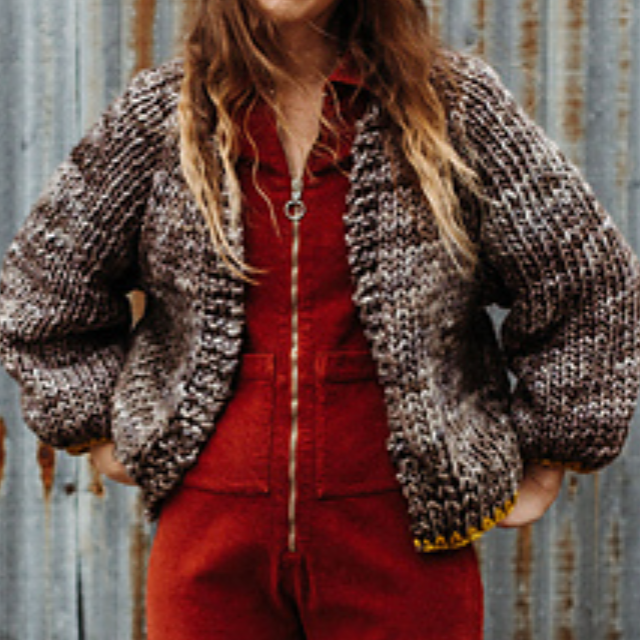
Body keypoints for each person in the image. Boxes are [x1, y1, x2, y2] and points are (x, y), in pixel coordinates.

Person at [0, 0, 639, 638]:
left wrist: (552, 452)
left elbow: (589, 280)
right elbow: (43, 283)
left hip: (404, 546)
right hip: (208, 549)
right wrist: (95, 427)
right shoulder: (165, 113)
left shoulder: (455, 107)